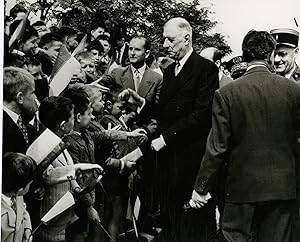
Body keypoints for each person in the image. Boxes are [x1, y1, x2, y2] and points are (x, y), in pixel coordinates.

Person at [191, 30, 300, 242]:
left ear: (245, 54)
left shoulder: (227, 93)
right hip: (282, 190)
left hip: (241, 191)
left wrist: (200, 188)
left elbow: (217, 147)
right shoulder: (294, 91)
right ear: (270, 55)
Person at [120, 17, 219, 241]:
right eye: (164, 39)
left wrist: (164, 139)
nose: (165, 45)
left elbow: (200, 117)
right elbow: (167, 112)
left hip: (189, 165)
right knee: (170, 221)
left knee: (192, 227)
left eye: (170, 39)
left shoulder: (206, 70)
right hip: (166, 166)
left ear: (186, 38)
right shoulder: (170, 70)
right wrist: (141, 103)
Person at [100, 35, 163, 104]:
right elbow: (97, 86)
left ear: (147, 53)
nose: (132, 53)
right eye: (130, 49)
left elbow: (158, 108)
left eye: (137, 49)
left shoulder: (157, 79)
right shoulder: (117, 73)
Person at [1, 152, 36, 242]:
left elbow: (23, 212)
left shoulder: (17, 195)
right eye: (30, 184)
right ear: (20, 189)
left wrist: (27, 229)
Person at [3, 67, 38, 155]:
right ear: (20, 98)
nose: (35, 98)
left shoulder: (23, 118)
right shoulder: (4, 129)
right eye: (32, 93)